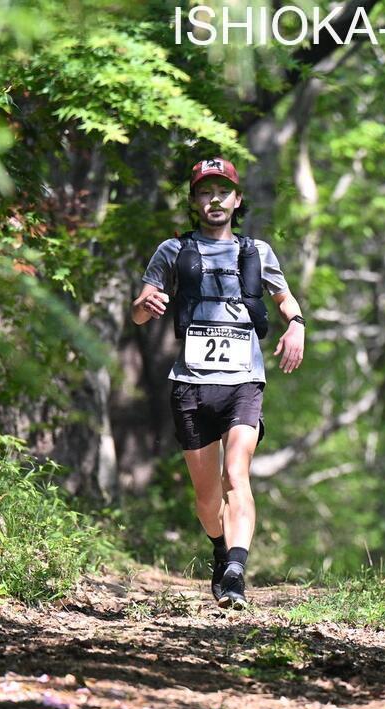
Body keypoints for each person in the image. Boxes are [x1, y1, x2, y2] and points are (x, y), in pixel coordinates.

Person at [130, 157, 305, 609]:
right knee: (207, 498)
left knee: (236, 472)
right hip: (190, 384)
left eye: (223, 192)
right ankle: (220, 549)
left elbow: (284, 297)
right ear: (194, 201)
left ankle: (236, 572)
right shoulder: (173, 250)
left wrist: (297, 325)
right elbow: (138, 310)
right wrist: (146, 306)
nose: (215, 200)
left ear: (237, 199)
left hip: (244, 381)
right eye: (205, 192)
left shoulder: (257, 252)